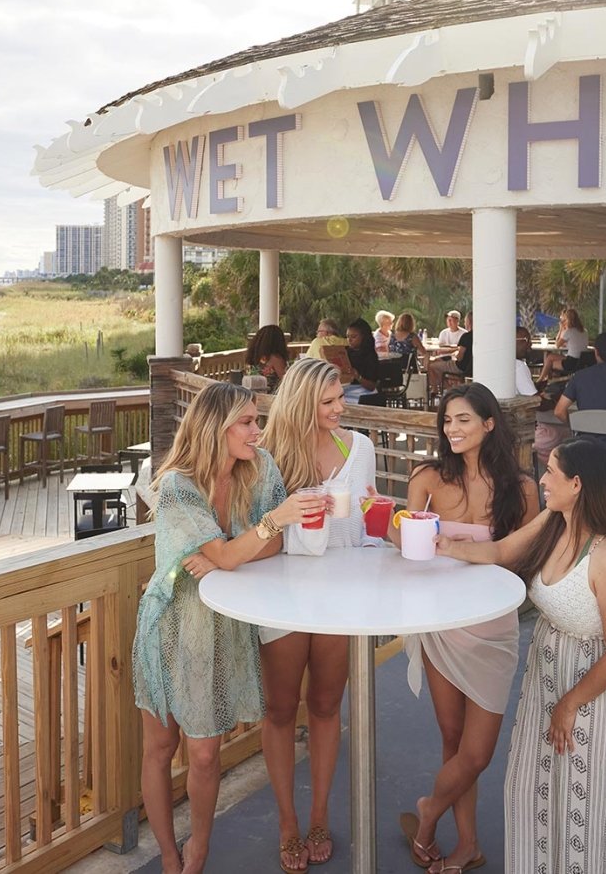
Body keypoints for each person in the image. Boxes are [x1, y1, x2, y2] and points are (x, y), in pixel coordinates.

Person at [134, 382, 326, 874]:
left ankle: (197, 850)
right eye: (246, 422)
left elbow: (271, 549)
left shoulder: (261, 470)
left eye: (257, 420)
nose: (256, 431)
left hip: (224, 627)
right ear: (214, 427)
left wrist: (229, 552)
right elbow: (237, 550)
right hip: (172, 625)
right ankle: (169, 857)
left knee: (203, 754)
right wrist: (261, 529)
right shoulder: (178, 485)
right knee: (159, 747)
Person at [437, 438, 606, 874]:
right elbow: (499, 552)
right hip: (545, 678)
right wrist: (443, 546)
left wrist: (569, 704)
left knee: (583, 806)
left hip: (590, 695)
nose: (542, 480)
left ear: (577, 483)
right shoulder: (554, 521)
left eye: (551, 472)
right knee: (534, 791)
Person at [397, 384, 539, 874]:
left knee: (476, 753)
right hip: (439, 620)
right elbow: (404, 543)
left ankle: (428, 810)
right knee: (452, 740)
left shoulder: (521, 489)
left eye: (463, 420)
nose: (452, 429)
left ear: (489, 423)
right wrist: (396, 530)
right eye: (447, 421)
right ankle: (467, 845)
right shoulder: (428, 478)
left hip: (493, 624)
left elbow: (526, 556)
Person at [258, 359, 378, 871]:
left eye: (340, 398)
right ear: (302, 403)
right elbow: (256, 526)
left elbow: (367, 524)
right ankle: (288, 822)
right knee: (282, 711)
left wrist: (381, 513)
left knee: (327, 707)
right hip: (283, 596)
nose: (339, 408)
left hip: (341, 598)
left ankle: (320, 816)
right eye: (327, 402)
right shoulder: (269, 455)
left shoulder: (361, 448)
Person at [539, 308, 589, 382]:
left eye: (565, 320)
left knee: (549, 361)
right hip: (582, 361)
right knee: (550, 357)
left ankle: (542, 381)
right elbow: (574, 343)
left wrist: (561, 329)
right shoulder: (584, 331)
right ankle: (544, 380)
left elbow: (557, 344)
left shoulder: (569, 331)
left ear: (568, 320)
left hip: (571, 362)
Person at [344, 319, 383, 404]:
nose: (349, 340)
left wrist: (358, 376)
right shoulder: (345, 352)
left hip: (365, 393)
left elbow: (372, 386)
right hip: (347, 389)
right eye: (347, 337)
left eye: (354, 337)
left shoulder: (370, 356)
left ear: (364, 337)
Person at [248, 323, 291, 388]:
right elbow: (287, 382)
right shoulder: (276, 359)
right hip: (271, 396)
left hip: (254, 393)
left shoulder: (257, 357)